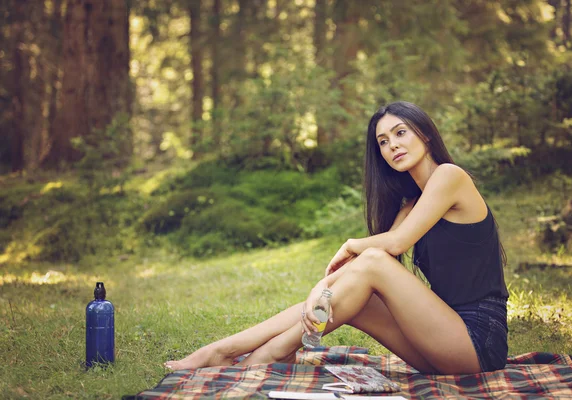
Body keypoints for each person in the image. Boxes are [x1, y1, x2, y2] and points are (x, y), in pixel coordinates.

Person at [165, 101, 509, 374]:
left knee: (370, 261)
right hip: (438, 345)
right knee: (352, 297)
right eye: (383, 142)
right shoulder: (411, 205)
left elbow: (393, 246)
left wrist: (350, 246)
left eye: (400, 133)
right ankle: (223, 350)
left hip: (477, 343)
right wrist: (325, 287)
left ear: (425, 134)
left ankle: (272, 352)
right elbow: (372, 266)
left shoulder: (451, 176)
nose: (393, 146)